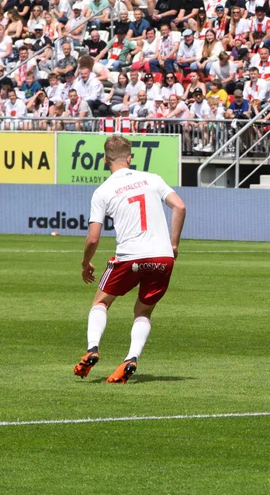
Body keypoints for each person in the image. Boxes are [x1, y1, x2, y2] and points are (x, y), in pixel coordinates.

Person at [74, 136, 187, 384]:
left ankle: (92, 348)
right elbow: (179, 206)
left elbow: (93, 239)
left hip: (129, 257)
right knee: (143, 311)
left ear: (105, 160)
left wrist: (85, 263)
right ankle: (131, 358)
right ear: (129, 157)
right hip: (162, 256)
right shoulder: (152, 179)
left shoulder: (102, 191)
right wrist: (174, 243)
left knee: (101, 302)